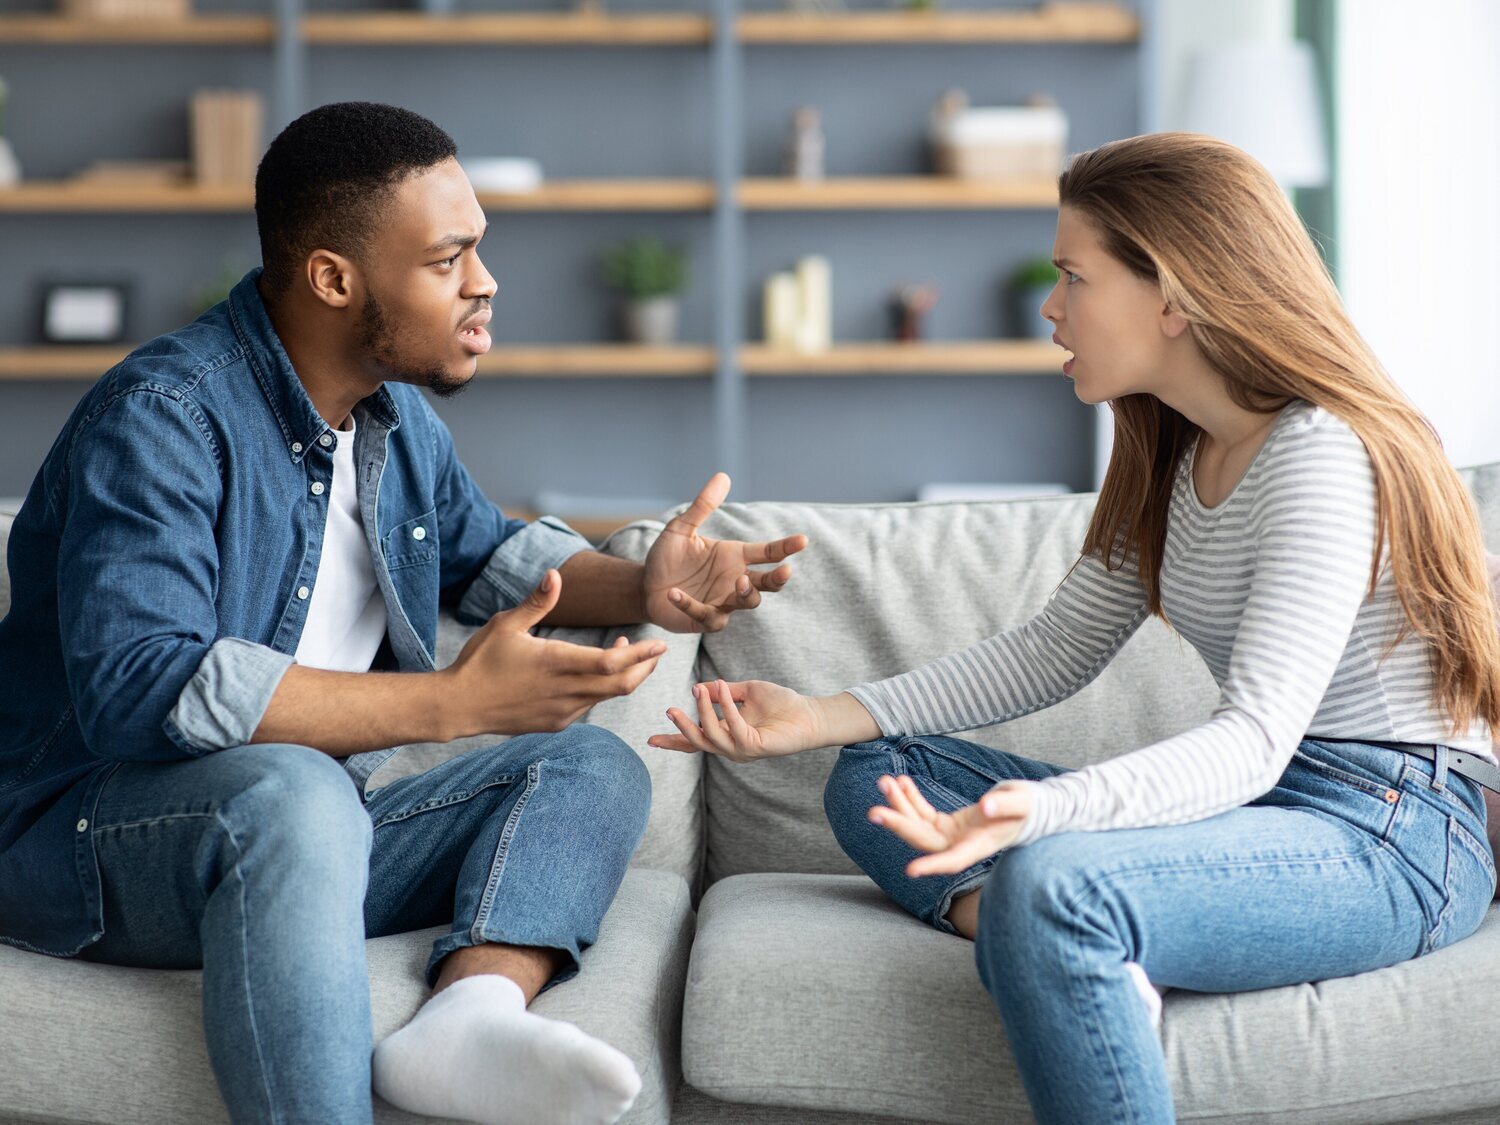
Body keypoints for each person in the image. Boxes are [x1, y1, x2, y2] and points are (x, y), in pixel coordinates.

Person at [649, 132, 1500, 1124]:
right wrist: (820, 717)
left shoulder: (1317, 456)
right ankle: (1078, 958)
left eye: (1073, 276)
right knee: (875, 778)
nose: (1050, 307)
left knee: (1056, 883)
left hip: (1391, 832)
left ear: (1175, 296)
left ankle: (1067, 934)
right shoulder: (1175, 457)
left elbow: (1256, 744)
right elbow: (1052, 652)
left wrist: (1051, 816)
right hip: (1279, 818)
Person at [0, 101, 807, 1125]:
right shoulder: (164, 418)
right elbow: (140, 690)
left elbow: (490, 558)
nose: (486, 282)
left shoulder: (392, 420)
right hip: (95, 836)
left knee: (588, 763)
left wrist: (646, 586)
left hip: (313, 827)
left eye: (480, 250)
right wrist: (450, 705)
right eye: (447, 259)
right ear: (334, 279)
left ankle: (466, 1016)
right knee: (292, 794)